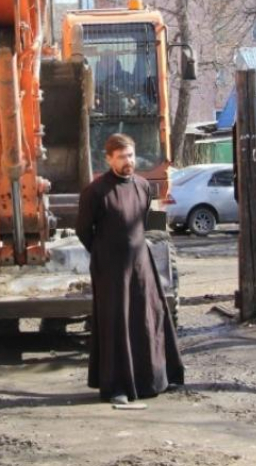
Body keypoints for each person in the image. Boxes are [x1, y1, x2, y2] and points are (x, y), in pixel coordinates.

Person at [75, 133, 184, 405]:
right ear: (109, 158)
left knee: (148, 317)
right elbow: (83, 230)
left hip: (141, 264)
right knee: (116, 324)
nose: (128, 161)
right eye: (122, 156)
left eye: (131, 156)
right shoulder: (95, 191)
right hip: (111, 269)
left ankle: (155, 378)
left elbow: (141, 222)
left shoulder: (143, 186)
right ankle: (117, 387)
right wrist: (105, 254)